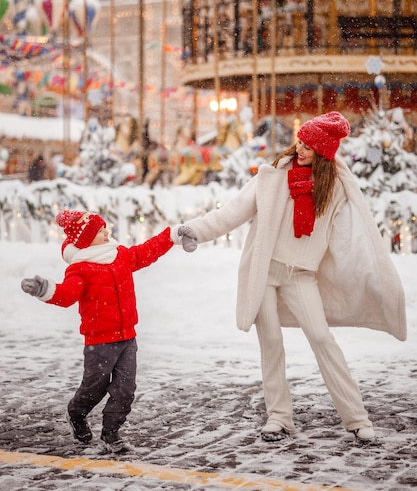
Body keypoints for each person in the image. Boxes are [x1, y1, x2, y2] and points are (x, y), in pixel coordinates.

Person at [174, 111, 407, 444]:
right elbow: (232, 212)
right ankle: (279, 417)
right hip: (266, 272)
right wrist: (194, 229)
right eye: (300, 141)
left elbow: (348, 238)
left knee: (322, 339)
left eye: (309, 146)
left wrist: (366, 274)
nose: (300, 149)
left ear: (324, 153)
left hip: (302, 276)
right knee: (271, 344)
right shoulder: (272, 178)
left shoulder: (336, 188)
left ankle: (356, 418)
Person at [21, 210, 194, 453]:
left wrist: (171, 236)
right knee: (95, 388)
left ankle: (111, 434)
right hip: (99, 342)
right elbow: (66, 295)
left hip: (127, 338)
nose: (107, 232)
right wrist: (44, 290)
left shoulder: (120, 255)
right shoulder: (80, 269)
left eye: (104, 228)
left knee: (125, 389)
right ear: (85, 239)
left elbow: (147, 251)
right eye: (100, 230)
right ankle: (76, 412)